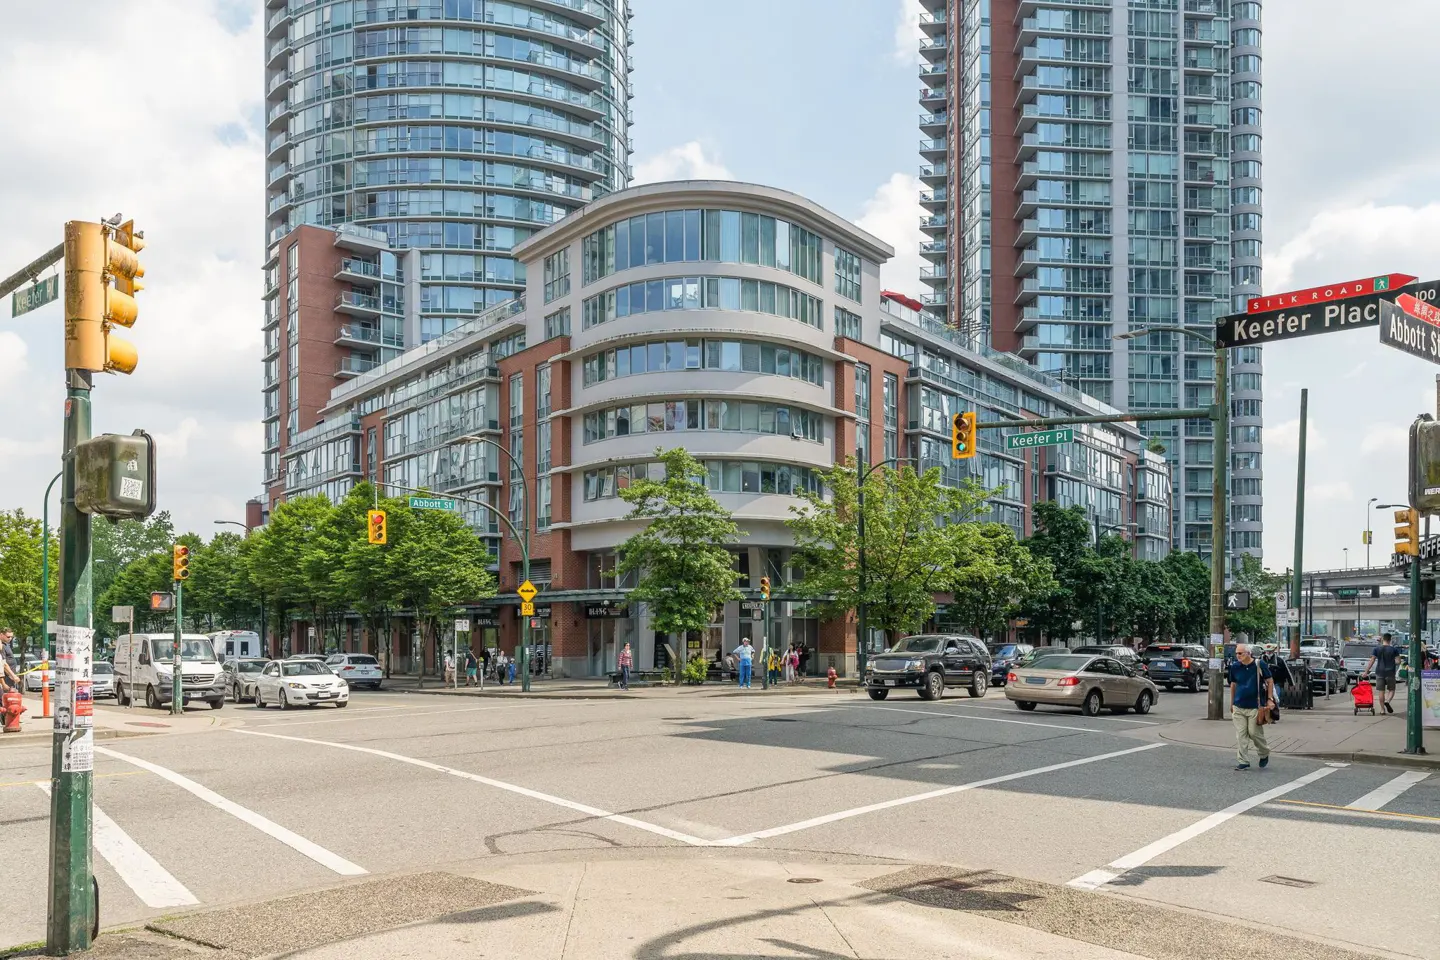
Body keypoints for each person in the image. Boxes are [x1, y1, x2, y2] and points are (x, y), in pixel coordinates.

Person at [1228, 643, 1274, 772]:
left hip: (1255, 706)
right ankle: (1243, 761)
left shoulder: (1259, 664)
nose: (1238, 656)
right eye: (1236, 653)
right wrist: (1231, 703)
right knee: (1241, 734)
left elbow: (1270, 681)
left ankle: (1264, 752)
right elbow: (1233, 684)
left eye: (1240, 653)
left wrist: (1269, 699)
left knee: (1254, 733)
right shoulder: (1235, 667)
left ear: (1248, 653)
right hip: (1238, 706)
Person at [1364, 633, 1403, 714]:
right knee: (1391, 690)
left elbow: (1372, 660)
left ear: (1382, 639)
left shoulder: (1377, 649)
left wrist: (1366, 671)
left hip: (1380, 672)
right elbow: (1398, 661)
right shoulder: (1394, 650)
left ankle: (1382, 710)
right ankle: (1387, 701)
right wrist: (1392, 662)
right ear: (1390, 640)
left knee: (1381, 691)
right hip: (1390, 672)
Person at [1259, 645, 1291, 722]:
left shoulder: (1280, 660)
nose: (1268, 653)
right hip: (1264, 683)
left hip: (1277, 682)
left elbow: (1286, 671)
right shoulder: (1260, 660)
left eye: (1270, 651)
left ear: (1273, 651)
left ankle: (1274, 714)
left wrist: (1291, 683)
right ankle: (1265, 715)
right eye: (1267, 651)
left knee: (1276, 698)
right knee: (1264, 699)